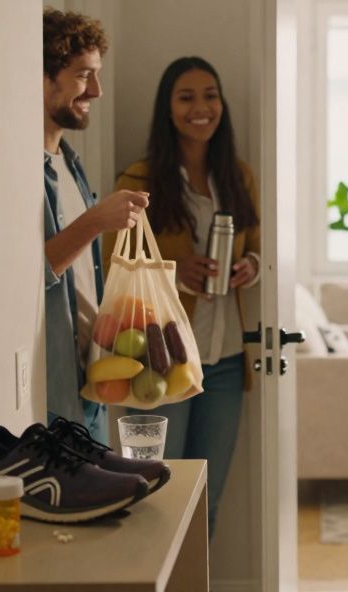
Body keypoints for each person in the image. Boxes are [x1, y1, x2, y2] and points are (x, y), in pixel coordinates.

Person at [108, 56, 261, 536]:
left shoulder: (238, 177)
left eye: (210, 96)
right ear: (168, 108)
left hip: (226, 360)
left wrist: (250, 267)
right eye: (187, 97)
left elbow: (258, 247)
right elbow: (115, 268)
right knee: (159, 502)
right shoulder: (139, 181)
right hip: (162, 361)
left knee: (205, 504)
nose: (201, 108)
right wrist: (176, 275)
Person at [43, 8, 149, 446]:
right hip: (54, 392)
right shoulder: (20, 173)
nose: (97, 91)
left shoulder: (70, 164)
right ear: (42, 78)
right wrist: (94, 223)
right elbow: (27, 277)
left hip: (91, 384)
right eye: (84, 75)